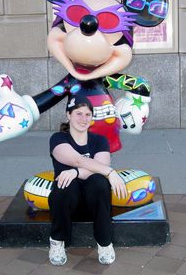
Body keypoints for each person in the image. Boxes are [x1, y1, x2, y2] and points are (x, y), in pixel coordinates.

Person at [48, 95, 127, 266]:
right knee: (65, 186)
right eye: (78, 113)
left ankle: (105, 243)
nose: (83, 119)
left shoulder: (99, 140)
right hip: (67, 201)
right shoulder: (58, 138)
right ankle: (57, 241)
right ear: (68, 115)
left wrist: (75, 173)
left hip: (94, 200)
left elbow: (100, 166)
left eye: (87, 114)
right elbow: (78, 160)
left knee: (99, 182)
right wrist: (110, 172)